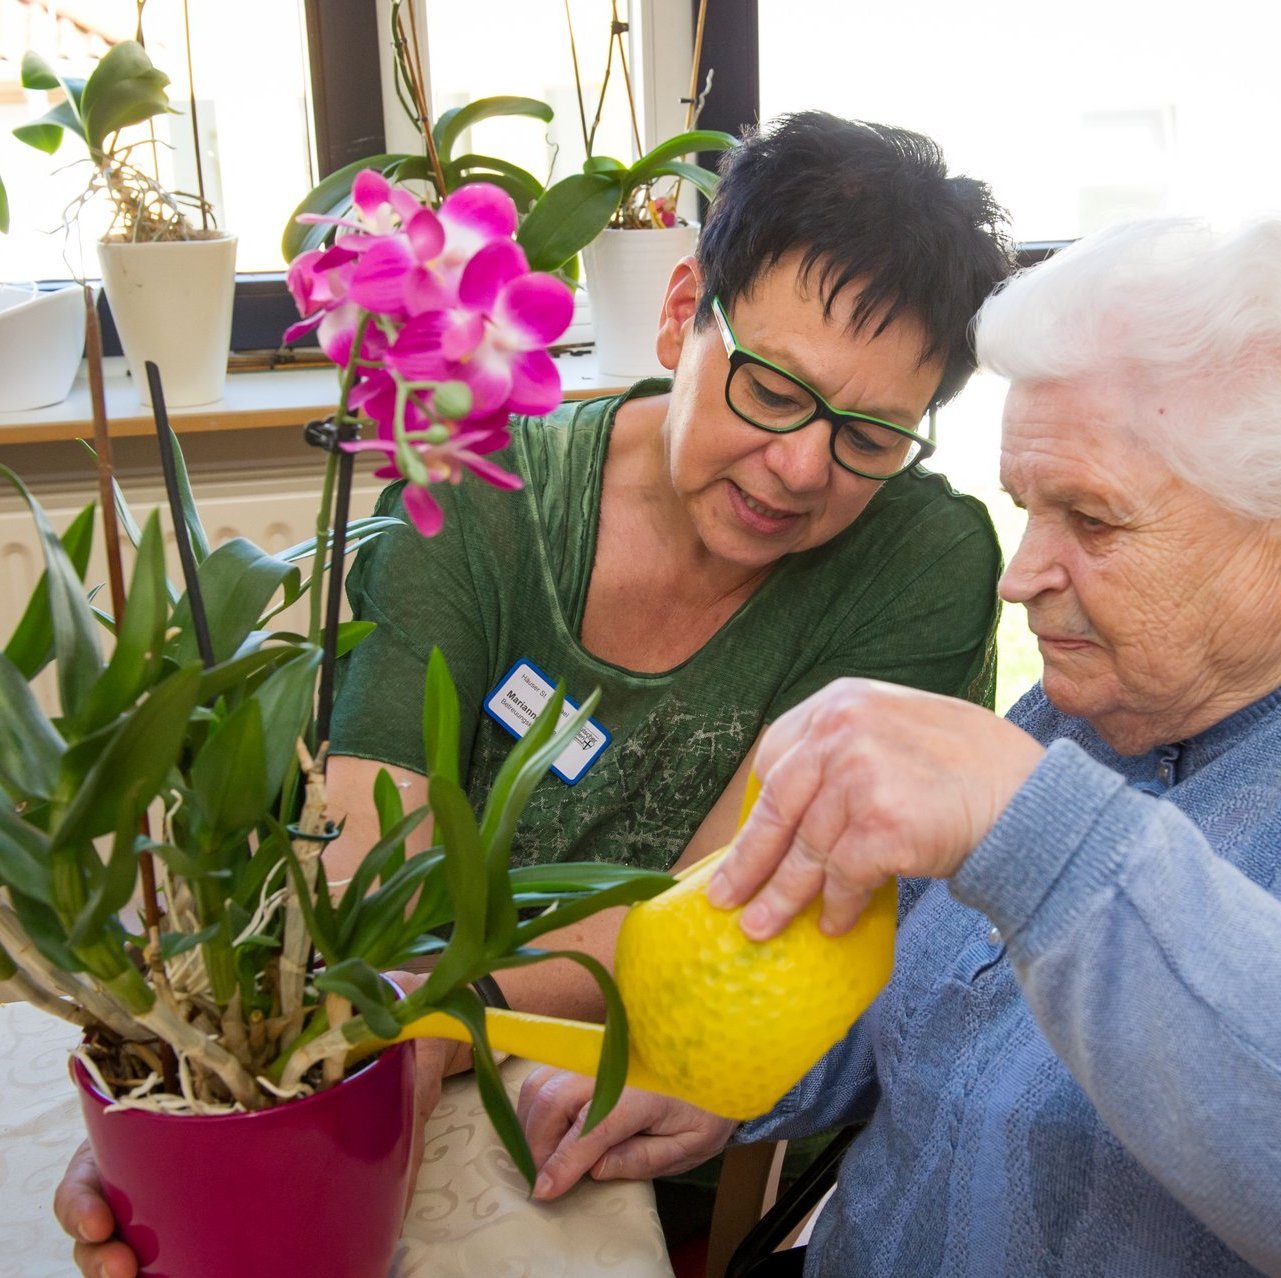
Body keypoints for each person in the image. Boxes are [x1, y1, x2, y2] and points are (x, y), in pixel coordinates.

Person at [507, 217, 1281, 1276]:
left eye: (1094, 519)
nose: (1022, 577)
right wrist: (731, 1084)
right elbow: (931, 1003)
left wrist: (1040, 834)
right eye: (1027, 507)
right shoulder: (1120, 699)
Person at [54, 111, 1013, 1278]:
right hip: (388, 1033)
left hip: (647, 1120)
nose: (804, 466)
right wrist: (222, 1110)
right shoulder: (479, 483)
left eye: (870, 434)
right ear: (678, 315)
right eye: (771, 390)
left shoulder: (921, 562)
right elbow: (368, 857)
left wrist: (423, 1023)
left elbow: (713, 919)